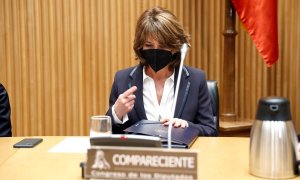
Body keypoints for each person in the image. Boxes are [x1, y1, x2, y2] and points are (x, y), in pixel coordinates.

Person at [106, 7, 217, 136]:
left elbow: (211, 132)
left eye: (163, 46)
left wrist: (187, 126)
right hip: (139, 155)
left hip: (179, 154)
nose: (156, 51)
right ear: (140, 46)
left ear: (175, 47)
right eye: (149, 45)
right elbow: (107, 134)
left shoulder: (196, 79)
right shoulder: (122, 79)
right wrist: (116, 114)